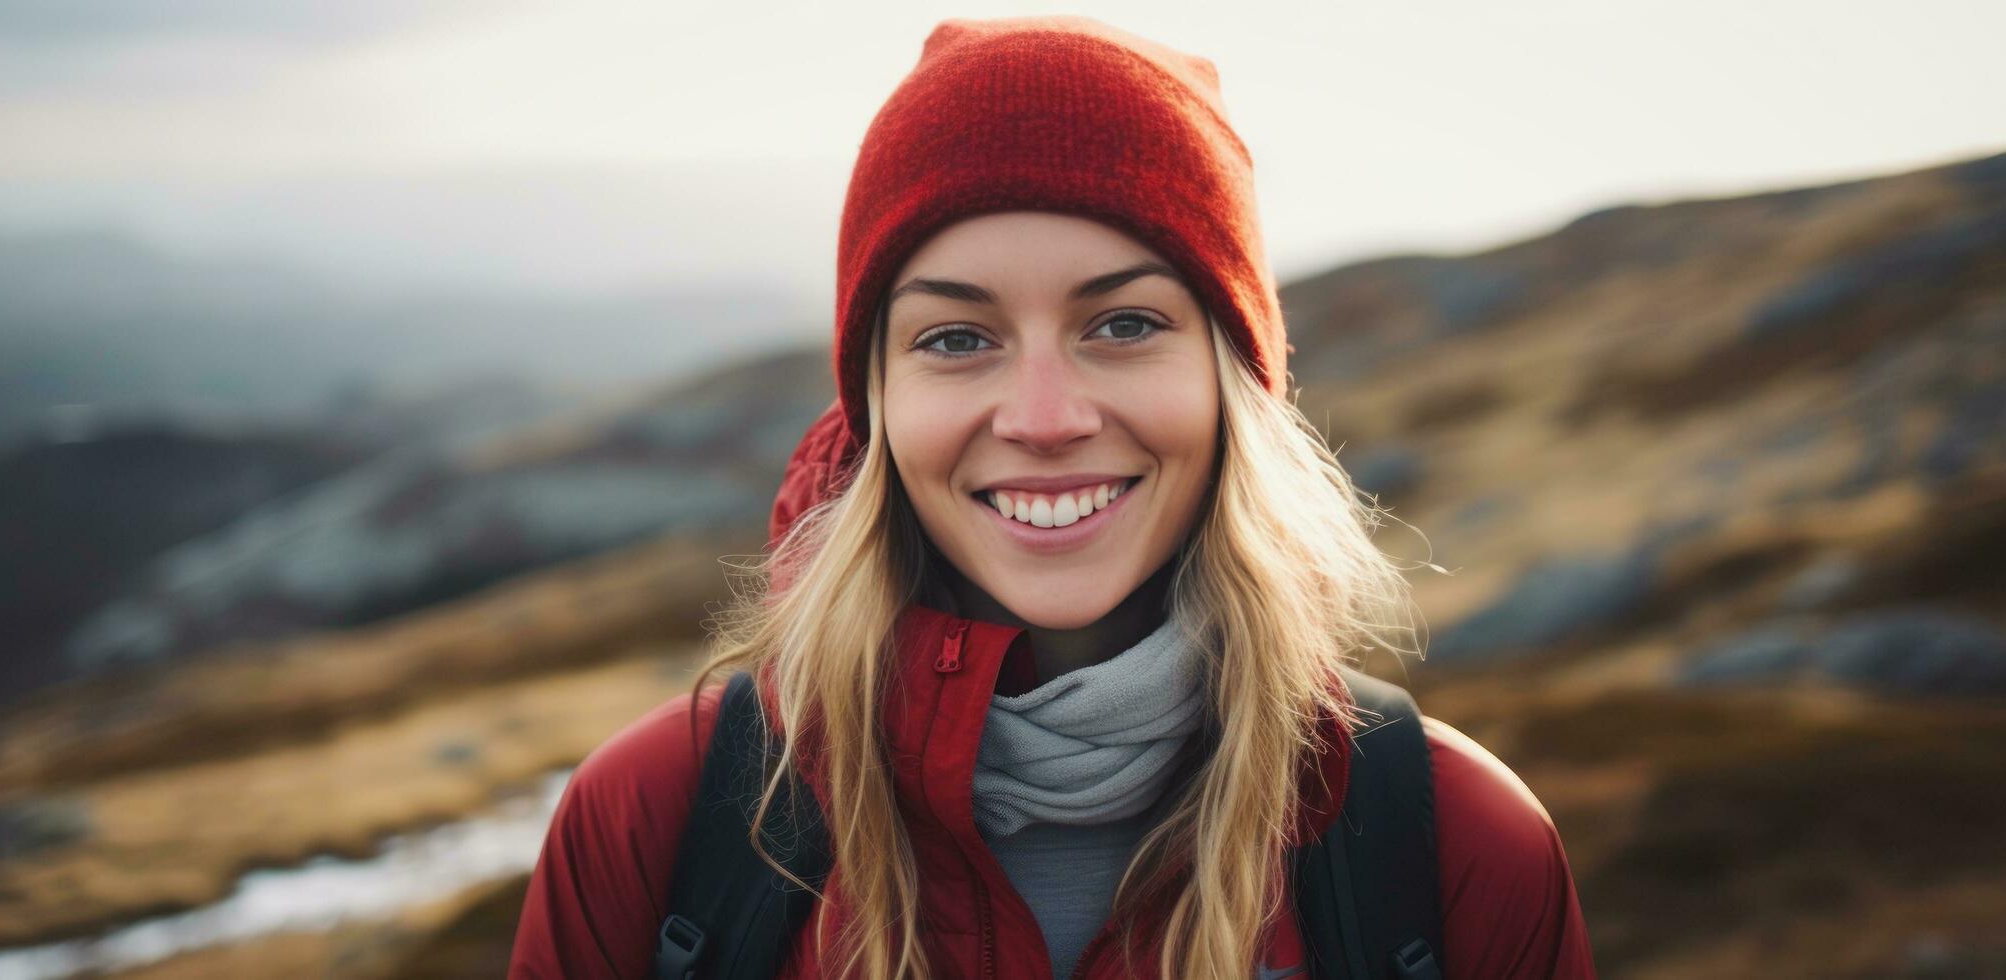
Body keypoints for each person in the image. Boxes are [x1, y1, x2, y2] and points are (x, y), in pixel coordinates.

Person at [510, 15, 1595, 980]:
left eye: (1122, 323)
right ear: (874, 402)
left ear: (1234, 381)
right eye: (954, 337)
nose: (1041, 415)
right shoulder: (664, 815)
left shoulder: (1450, 840)